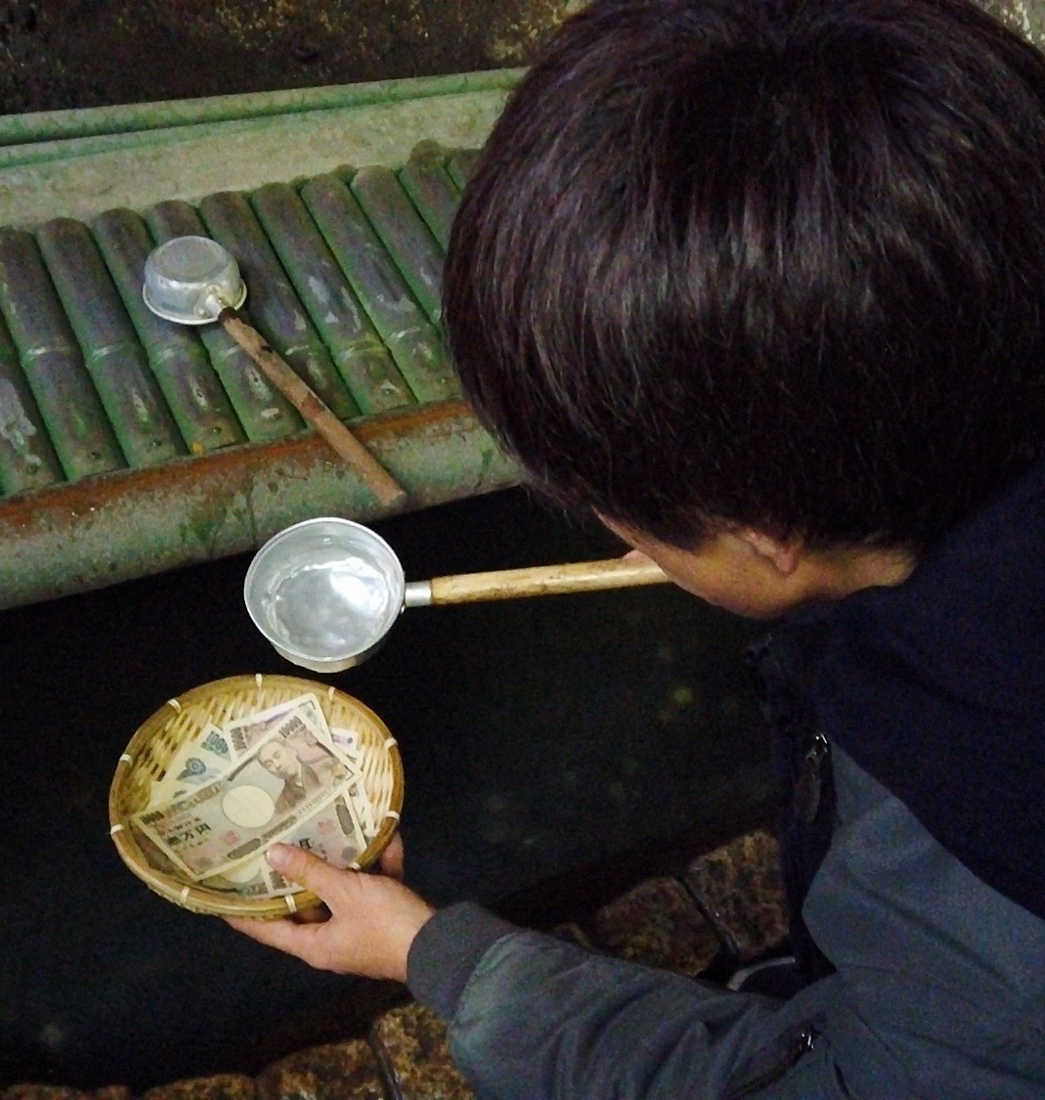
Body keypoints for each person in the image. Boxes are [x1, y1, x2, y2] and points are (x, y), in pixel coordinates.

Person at [228, 0, 1045, 1095]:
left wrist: (438, 955)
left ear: (769, 538)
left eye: (627, 510)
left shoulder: (980, 910)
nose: (619, 532)